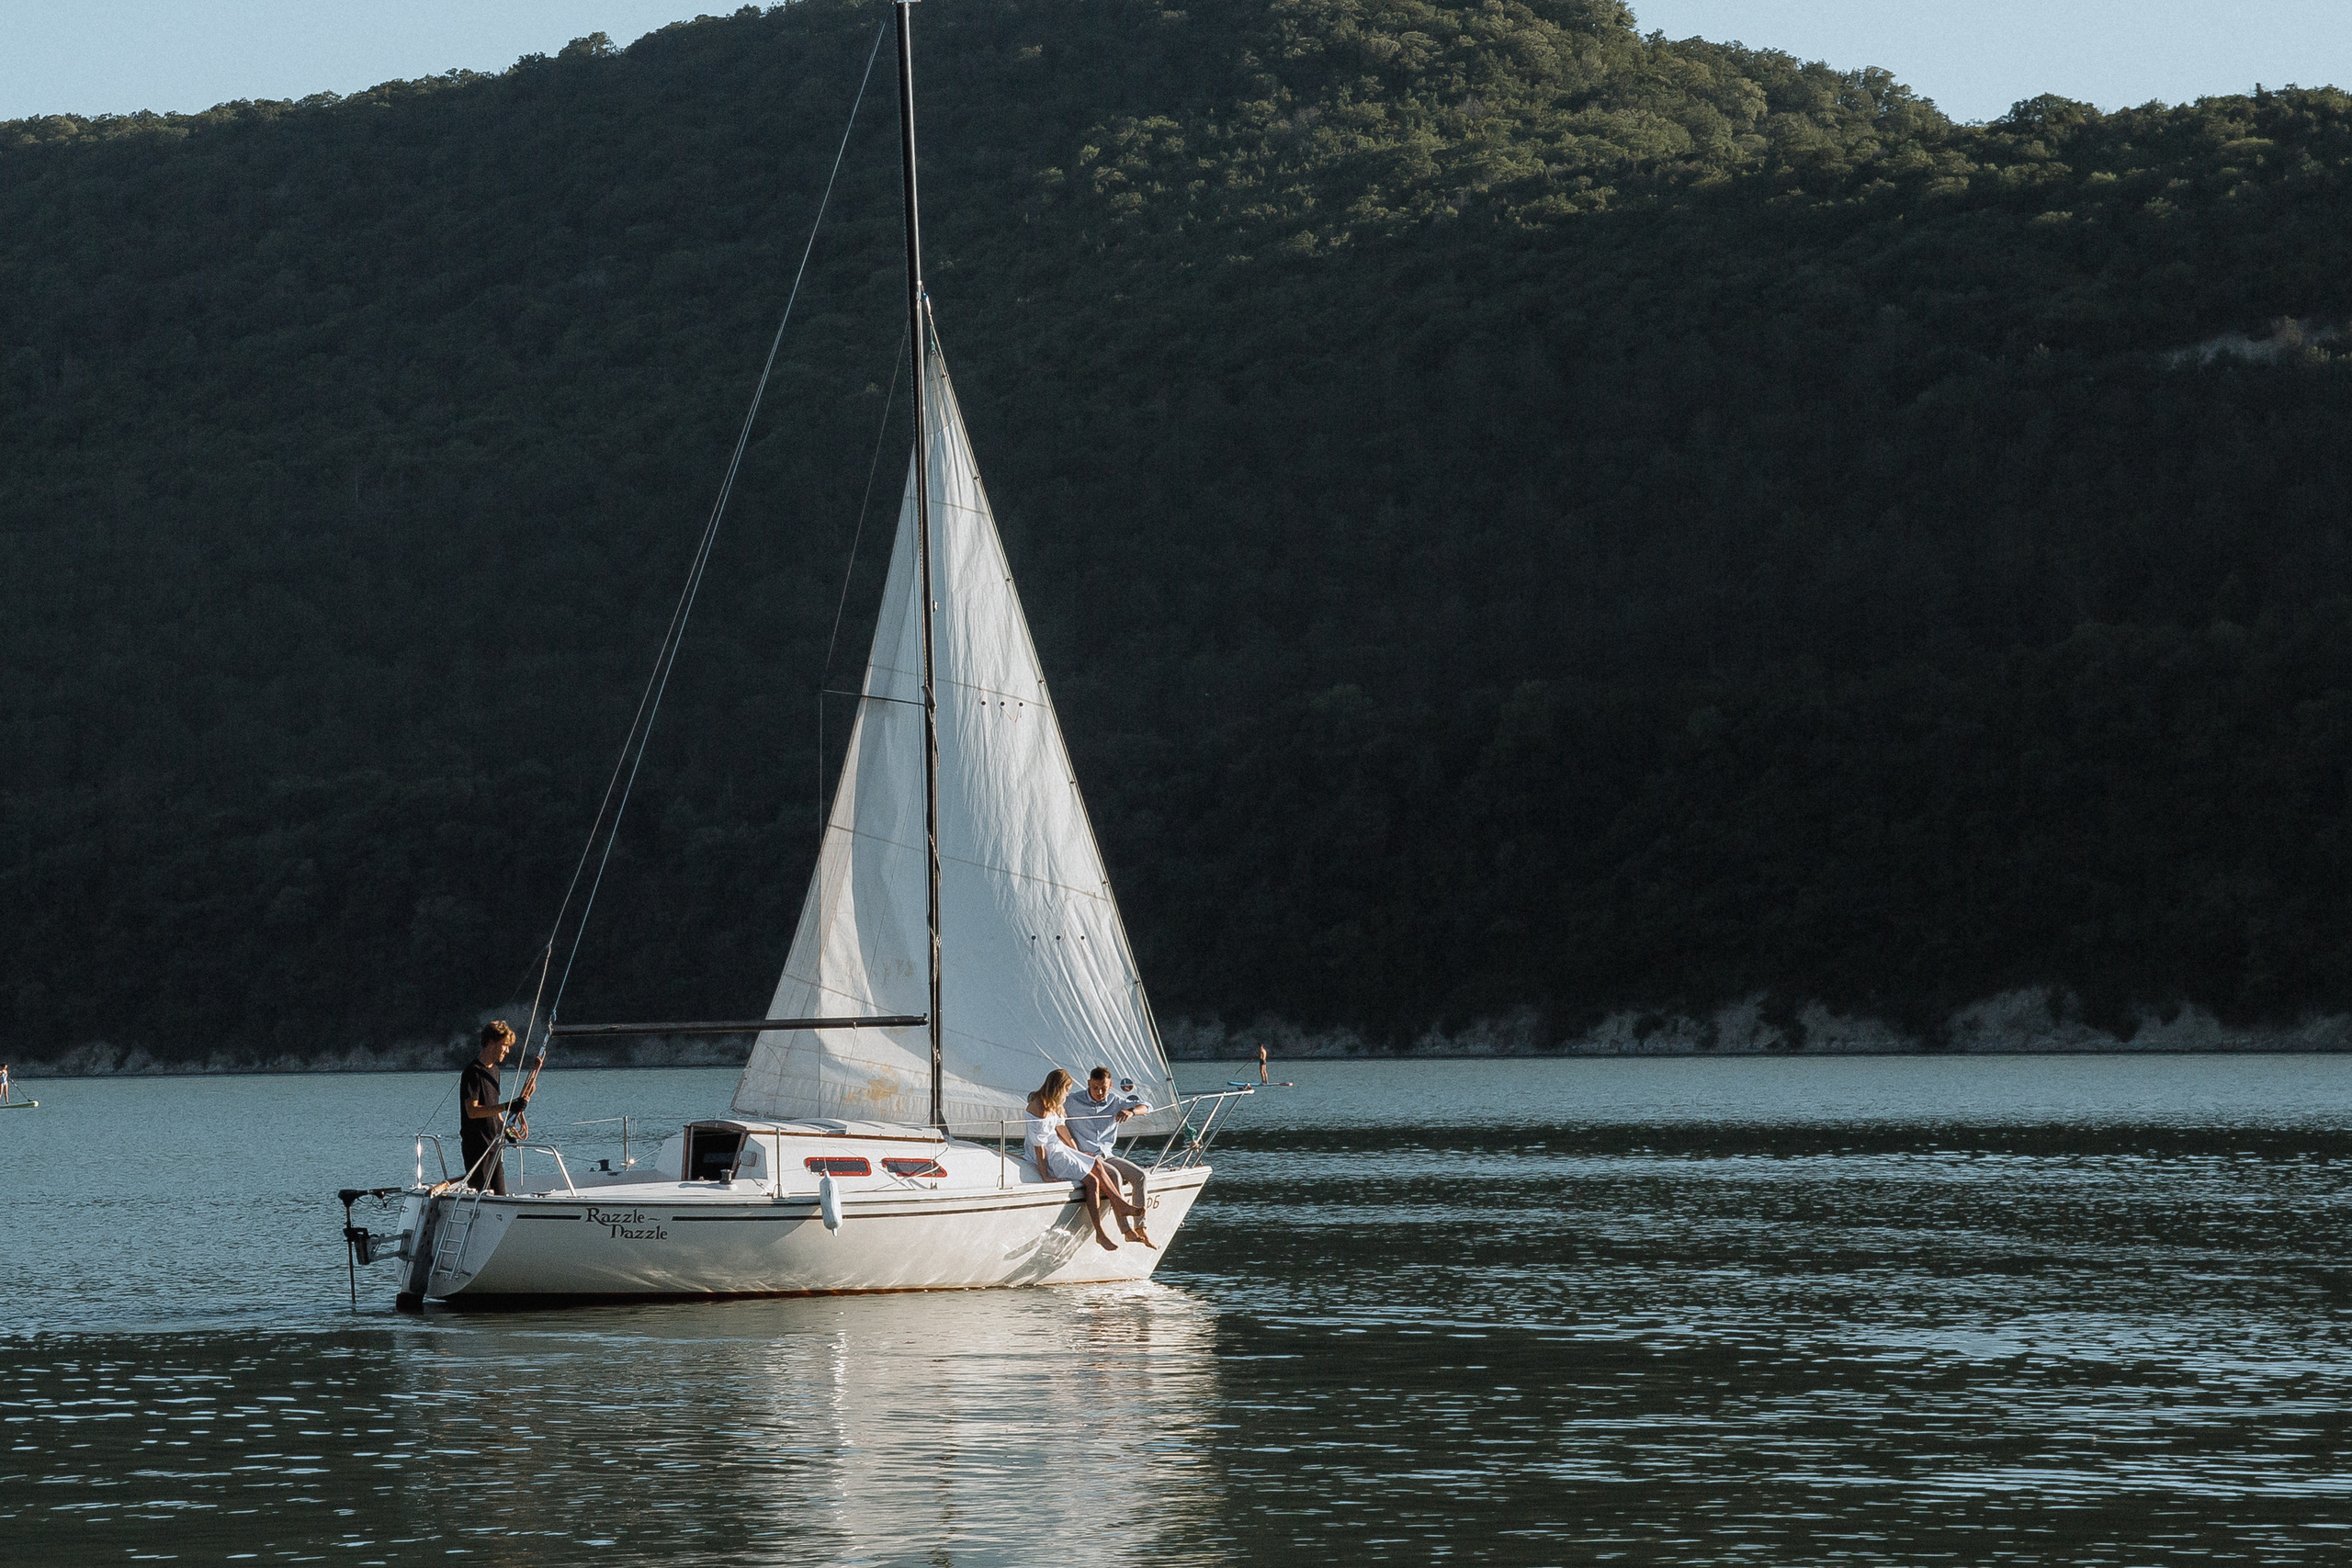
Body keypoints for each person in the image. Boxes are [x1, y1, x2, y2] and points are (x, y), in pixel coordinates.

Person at [1024, 1068, 1145, 1252]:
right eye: (1066, 1089)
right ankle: (1100, 1233)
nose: (1068, 1093)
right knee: (1092, 1181)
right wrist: (1044, 1174)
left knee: (1096, 1163)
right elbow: (1038, 1145)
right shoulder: (1040, 1106)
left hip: (1059, 1147)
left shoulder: (1054, 1103)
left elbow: (1063, 1131)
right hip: (1048, 1153)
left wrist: (1079, 1154)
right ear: (1059, 1088)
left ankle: (1120, 1205)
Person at [1062, 1066, 1154, 1247]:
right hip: (1085, 1157)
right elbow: (1051, 1105)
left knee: (1140, 1175)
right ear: (1089, 1084)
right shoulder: (1072, 1101)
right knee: (1114, 1175)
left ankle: (1141, 1227)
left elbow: (1148, 1106)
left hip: (1107, 1154)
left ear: (1110, 1085)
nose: (1099, 1092)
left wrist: (1131, 1111)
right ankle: (1126, 1230)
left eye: (1103, 1087)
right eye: (1095, 1087)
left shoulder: (1115, 1101)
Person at [459, 1021, 533, 1193]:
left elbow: (495, 1111)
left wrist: (507, 1132)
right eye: (505, 1045)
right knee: (482, 1197)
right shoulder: (473, 1072)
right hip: (477, 1149)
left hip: (495, 1147)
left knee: (501, 1195)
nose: (507, 1051)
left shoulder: (495, 1072)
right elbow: (472, 1111)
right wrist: (507, 1105)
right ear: (491, 1042)